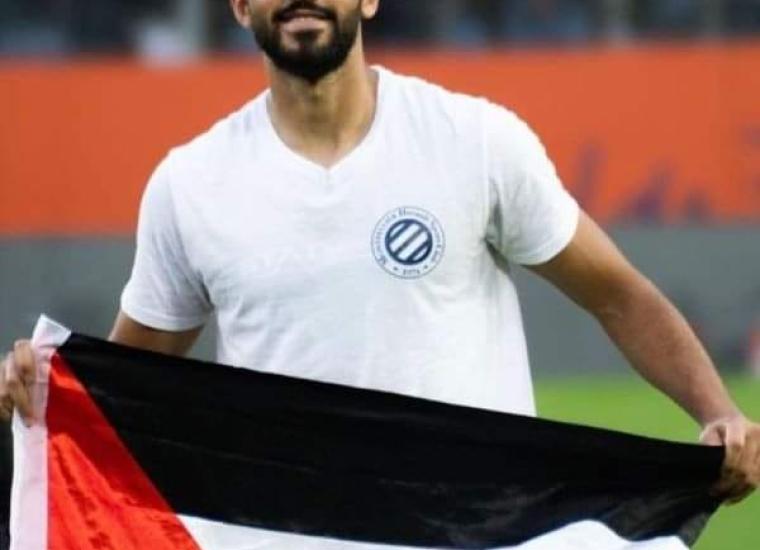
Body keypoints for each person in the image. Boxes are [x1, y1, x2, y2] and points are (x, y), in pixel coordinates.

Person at [1, 0, 759, 511]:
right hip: (294, 533)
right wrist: (50, 390)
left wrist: (719, 412)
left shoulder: (474, 141)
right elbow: (129, 385)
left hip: (474, 528)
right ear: (238, 6)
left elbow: (616, 294)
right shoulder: (190, 184)